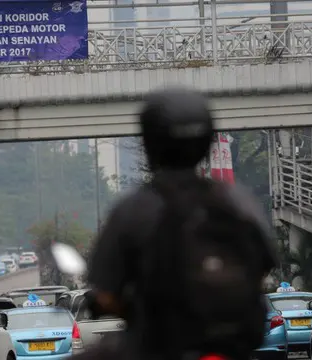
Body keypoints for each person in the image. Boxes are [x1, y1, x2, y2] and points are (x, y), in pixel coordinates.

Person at [75, 88, 278, 360]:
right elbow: (264, 266)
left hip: (157, 348)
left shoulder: (134, 209)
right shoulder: (237, 201)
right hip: (233, 347)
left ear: (149, 142)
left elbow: (107, 294)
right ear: (207, 139)